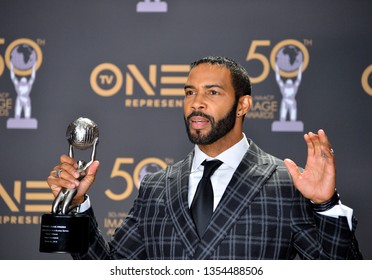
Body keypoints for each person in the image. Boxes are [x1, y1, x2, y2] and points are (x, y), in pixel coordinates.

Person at [47, 56, 362, 259]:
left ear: (243, 105)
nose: (196, 103)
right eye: (188, 92)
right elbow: (110, 272)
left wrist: (326, 206)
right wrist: (76, 209)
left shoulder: (286, 182)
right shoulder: (156, 187)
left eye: (212, 93)